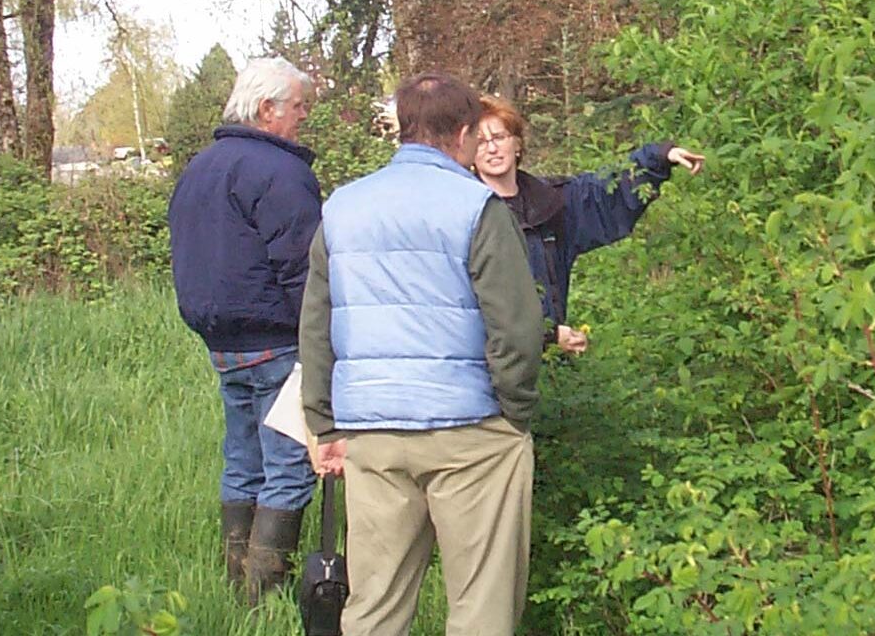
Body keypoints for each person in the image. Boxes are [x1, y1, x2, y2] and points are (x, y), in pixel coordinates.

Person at [299, 72, 545, 636]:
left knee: (373, 609)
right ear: (462, 134)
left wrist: (323, 420)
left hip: (372, 432)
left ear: (402, 130)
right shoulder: (480, 206)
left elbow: (316, 323)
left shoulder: (342, 206)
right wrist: (515, 412)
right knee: (481, 609)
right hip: (473, 430)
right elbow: (516, 327)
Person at [167, 56, 319, 604]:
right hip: (276, 342)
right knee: (288, 465)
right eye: (299, 106)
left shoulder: (199, 167)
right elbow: (304, 268)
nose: (304, 116)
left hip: (222, 344)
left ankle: (238, 589)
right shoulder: (280, 172)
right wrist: (324, 343)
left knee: (242, 461)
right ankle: (263, 596)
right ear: (266, 109)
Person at [475, 95, 704, 352]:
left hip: (551, 363)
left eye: (499, 137)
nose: (492, 149)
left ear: (517, 144)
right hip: (493, 366)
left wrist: (659, 158)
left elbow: (605, 194)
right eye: (481, 142)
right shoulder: (468, 213)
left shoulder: (549, 203)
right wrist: (546, 335)